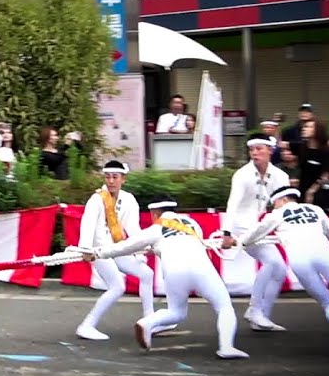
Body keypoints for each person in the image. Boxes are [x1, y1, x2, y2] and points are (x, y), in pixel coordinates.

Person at [86, 195, 248, 360]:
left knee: (176, 311)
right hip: (201, 268)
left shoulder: (154, 230)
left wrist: (97, 253)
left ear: (155, 212)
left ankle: (147, 323)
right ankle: (226, 347)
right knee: (224, 307)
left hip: (174, 271)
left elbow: (124, 247)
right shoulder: (192, 224)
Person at [240, 187, 329, 357]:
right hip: (322, 252)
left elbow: (252, 236)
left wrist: (240, 242)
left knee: (328, 302)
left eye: (274, 203)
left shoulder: (276, 215)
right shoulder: (315, 209)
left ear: (282, 200)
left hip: (298, 258)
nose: (273, 207)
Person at [73, 160, 155, 341]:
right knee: (117, 286)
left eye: (115, 177)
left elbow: (132, 228)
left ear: (123, 179)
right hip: (98, 250)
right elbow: (87, 224)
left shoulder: (129, 199)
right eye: (107, 177)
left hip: (117, 248)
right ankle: (86, 326)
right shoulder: (96, 199)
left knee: (147, 274)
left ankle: (150, 321)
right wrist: (85, 249)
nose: (111, 181)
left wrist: (145, 245)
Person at [220, 133, 290, 331]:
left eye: (259, 149)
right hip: (240, 227)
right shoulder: (242, 175)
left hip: (260, 226)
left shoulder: (280, 176)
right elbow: (232, 204)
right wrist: (226, 233)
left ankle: (262, 315)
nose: (255, 153)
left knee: (281, 270)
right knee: (272, 262)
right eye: (252, 149)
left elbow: (283, 205)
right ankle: (254, 310)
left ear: (270, 150)